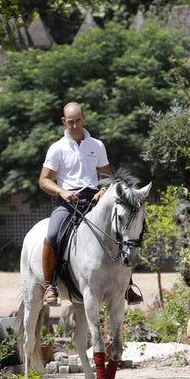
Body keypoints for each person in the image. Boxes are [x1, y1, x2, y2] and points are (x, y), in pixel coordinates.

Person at [38, 101, 143, 307]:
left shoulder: (97, 145)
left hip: (95, 200)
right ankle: (51, 287)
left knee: (123, 231)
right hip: (69, 201)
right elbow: (44, 180)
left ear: (84, 118)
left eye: (78, 121)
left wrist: (103, 190)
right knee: (52, 236)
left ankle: (128, 285)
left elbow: (105, 175)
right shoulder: (56, 148)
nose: (75, 126)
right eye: (70, 122)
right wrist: (62, 191)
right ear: (63, 122)